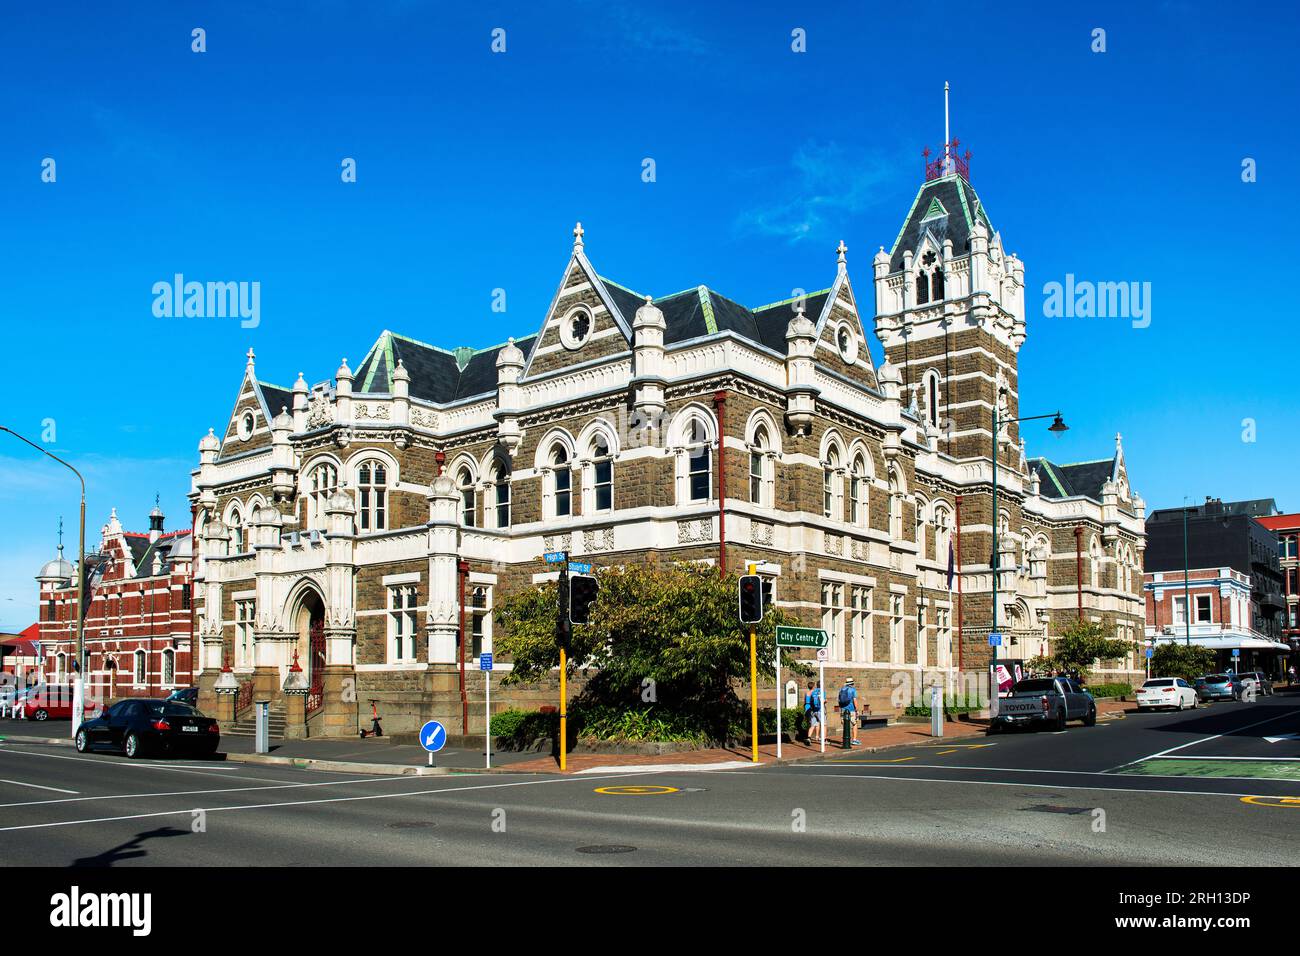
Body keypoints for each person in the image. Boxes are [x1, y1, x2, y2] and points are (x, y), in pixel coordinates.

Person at [836, 677, 858, 749]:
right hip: (851, 709)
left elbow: (839, 699)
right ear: (852, 683)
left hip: (843, 709)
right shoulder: (853, 690)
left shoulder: (841, 689)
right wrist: (856, 709)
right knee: (854, 724)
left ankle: (845, 740)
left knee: (845, 724)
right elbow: (855, 700)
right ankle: (854, 740)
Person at [804, 680, 824, 745]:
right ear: (813, 686)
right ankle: (817, 736)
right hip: (812, 707)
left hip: (807, 707)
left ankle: (808, 736)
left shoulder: (807, 693)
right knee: (817, 722)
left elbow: (805, 700)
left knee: (809, 723)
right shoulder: (814, 692)